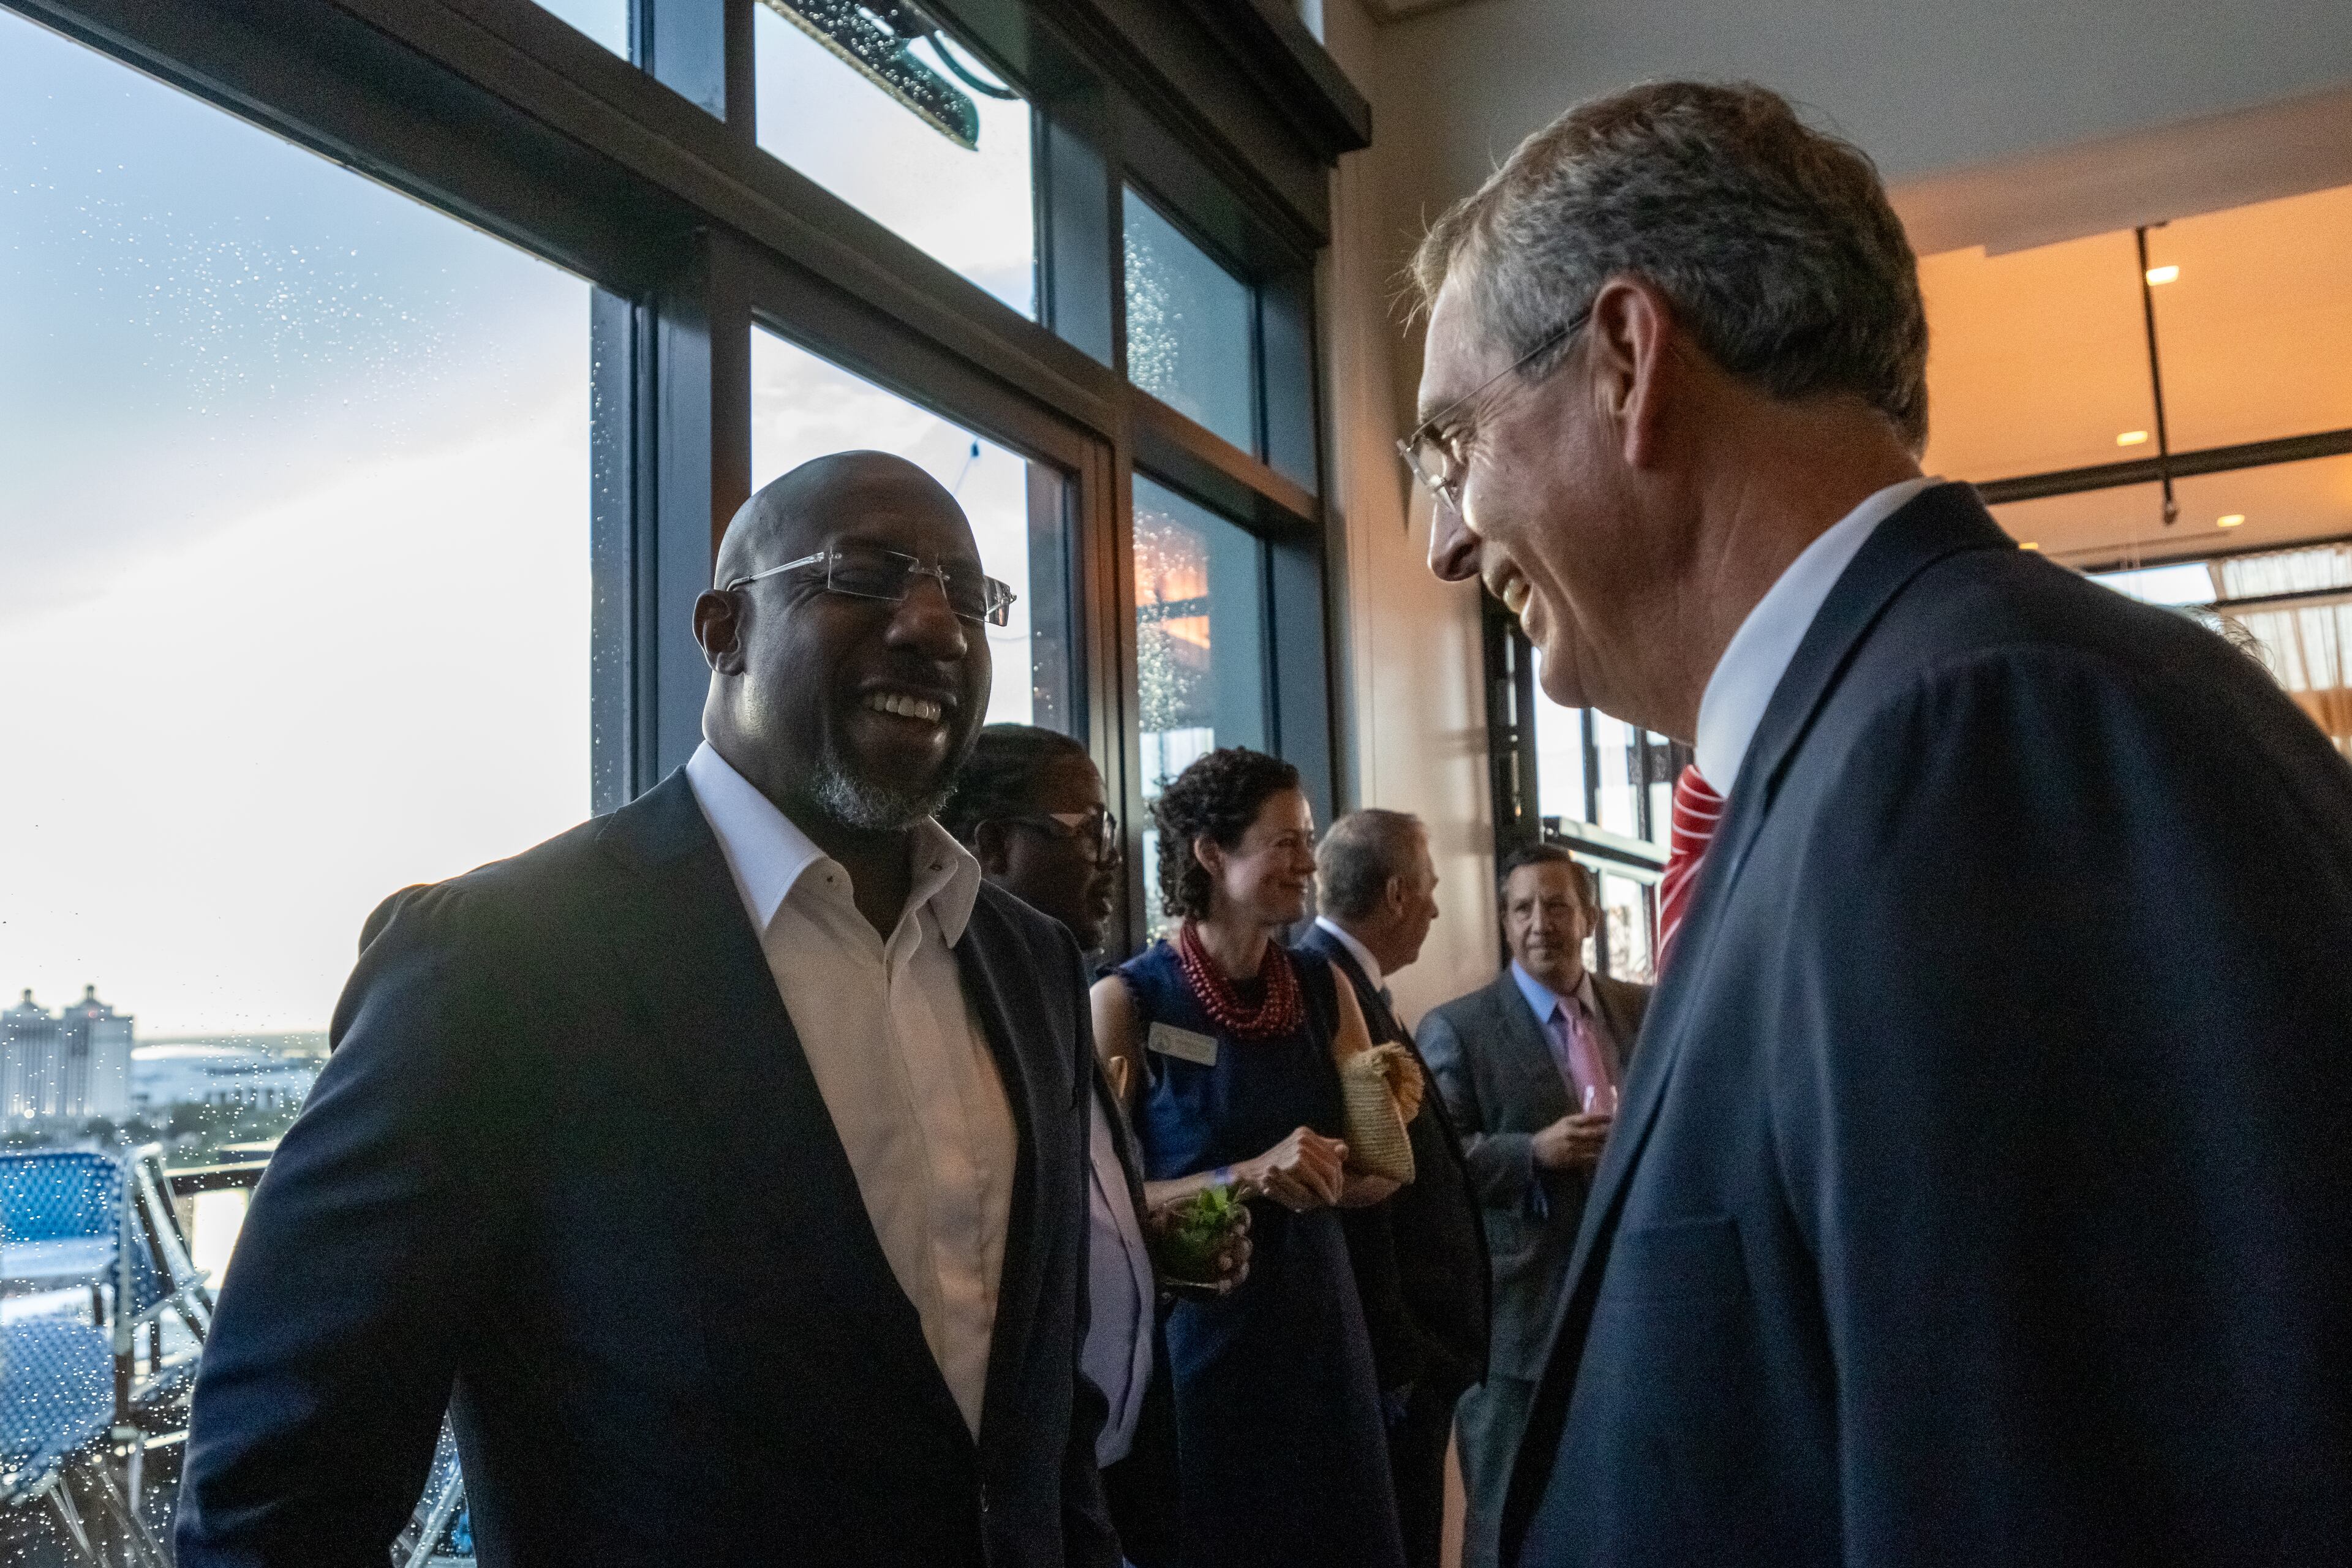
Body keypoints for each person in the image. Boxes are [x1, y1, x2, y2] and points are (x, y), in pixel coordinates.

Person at [1409, 80, 2352, 1566]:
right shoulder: (1870, 742)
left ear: (1624, 359)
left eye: (1450, 439)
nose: (1446, 537)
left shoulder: (1979, 738)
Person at [177, 452, 1118, 1566]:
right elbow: (280, 1488)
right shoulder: (501, 963)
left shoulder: (1031, 966)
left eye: (968, 597)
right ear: (723, 632)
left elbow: (1033, 1405)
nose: (936, 628)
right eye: (864, 575)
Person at [1091, 748, 1420, 1568]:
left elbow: (1376, 1182)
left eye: (1308, 840)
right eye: (1286, 842)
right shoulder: (1127, 1002)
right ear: (1211, 852)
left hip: (1323, 1336)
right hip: (1200, 1346)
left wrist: (1388, 1117)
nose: (1309, 863)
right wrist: (1244, 1175)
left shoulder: (1321, 984)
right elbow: (1096, 1205)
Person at [943, 723, 1250, 1568]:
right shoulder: (944, 1027)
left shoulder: (1064, 1008)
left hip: (1118, 1474)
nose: (1109, 858)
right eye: (1086, 829)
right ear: (992, 846)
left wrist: (1150, 1257)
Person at [1414, 845, 1646, 1568]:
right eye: (1522, 908)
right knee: (1507, 1515)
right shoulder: (1459, 1027)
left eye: (1556, 905)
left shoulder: (1644, 1007)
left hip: (1634, 1303)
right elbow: (1437, 1165)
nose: (1540, 922)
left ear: (1588, 916)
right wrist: (1532, 1152)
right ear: (1506, 922)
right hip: (1520, 1322)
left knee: (1629, 1505)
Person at [1301, 809, 1489, 1568]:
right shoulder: (1325, 990)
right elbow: (1362, 1185)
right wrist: (1403, 1357)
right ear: (1398, 893)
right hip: (1394, 1357)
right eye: (1433, 889)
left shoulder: (1358, 986)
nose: (1439, 909)